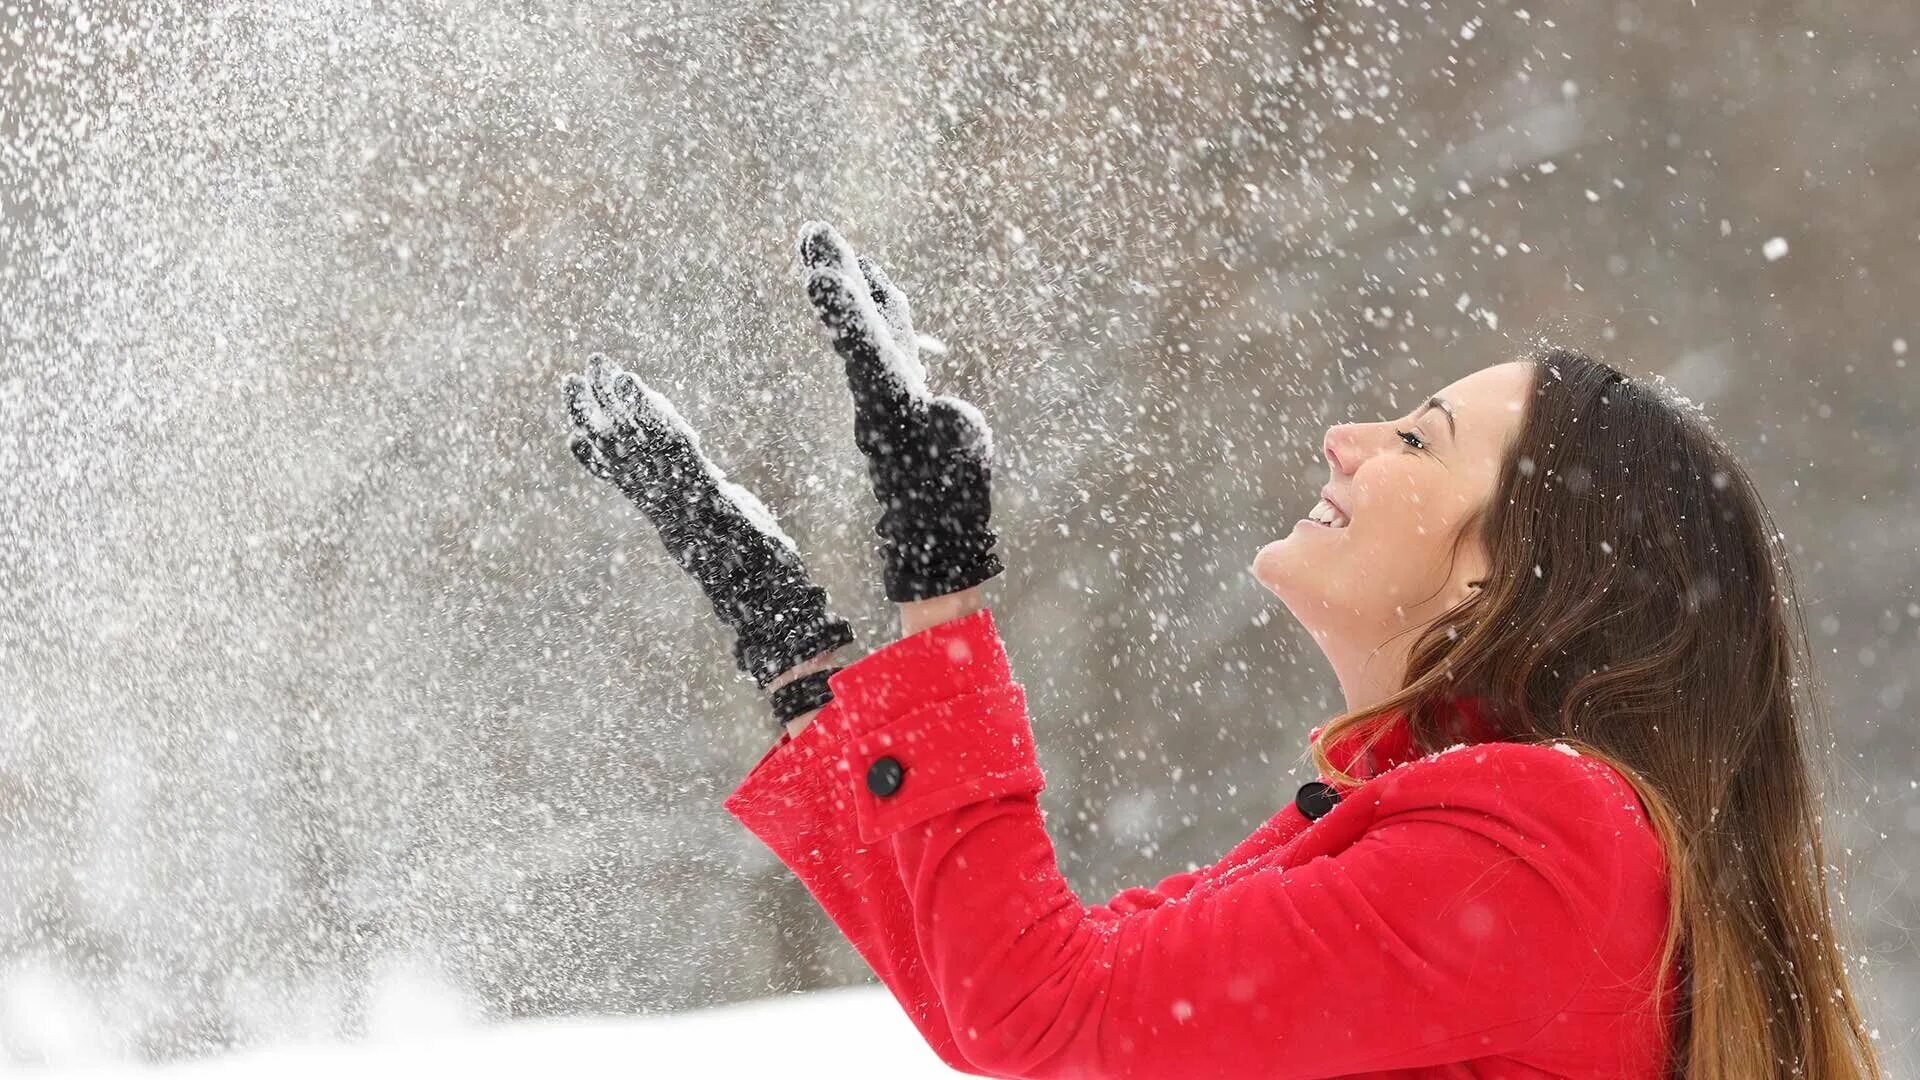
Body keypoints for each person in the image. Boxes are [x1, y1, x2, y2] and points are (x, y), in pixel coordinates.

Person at [560, 222, 1882, 1079]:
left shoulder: (1535, 843)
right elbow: (1016, 996)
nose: (1346, 440)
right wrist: (803, 665)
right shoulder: (1462, 833)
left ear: (1501, 570)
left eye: (1418, 438)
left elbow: (1046, 1020)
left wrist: (941, 591)